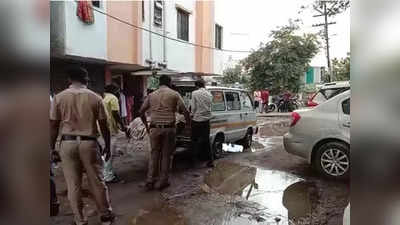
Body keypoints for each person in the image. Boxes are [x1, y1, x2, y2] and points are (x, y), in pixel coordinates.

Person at [50, 66, 114, 225]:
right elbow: (104, 124)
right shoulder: (95, 97)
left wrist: (51, 148)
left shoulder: (59, 97)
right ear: (86, 80)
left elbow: (52, 125)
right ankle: (105, 215)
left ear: (69, 80)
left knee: (73, 184)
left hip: (67, 142)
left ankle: (80, 220)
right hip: (89, 143)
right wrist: (107, 144)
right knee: (97, 180)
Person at [139, 75, 191, 190]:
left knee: (154, 154)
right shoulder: (174, 94)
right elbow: (185, 111)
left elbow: (141, 111)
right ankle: (163, 181)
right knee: (166, 155)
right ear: (170, 82)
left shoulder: (151, 95)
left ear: (159, 83)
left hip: (154, 128)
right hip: (169, 128)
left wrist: (146, 126)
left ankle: (150, 180)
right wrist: (188, 124)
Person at [102, 84, 129, 184]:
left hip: (104, 127)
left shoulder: (104, 98)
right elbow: (115, 113)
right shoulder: (113, 98)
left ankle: (106, 172)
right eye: (117, 90)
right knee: (110, 152)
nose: (118, 93)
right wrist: (122, 126)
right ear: (114, 90)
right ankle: (108, 176)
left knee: (106, 150)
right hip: (110, 128)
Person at [191, 79, 214, 167]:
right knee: (206, 141)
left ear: (196, 86)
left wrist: (192, 115)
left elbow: (193, 107)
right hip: (206, 121)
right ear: (203, 85)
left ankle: (194, 160)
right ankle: (210, 161)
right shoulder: (209, 94)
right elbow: (210, 106)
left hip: (197, 120)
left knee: (194, 140)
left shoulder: (194, 93)